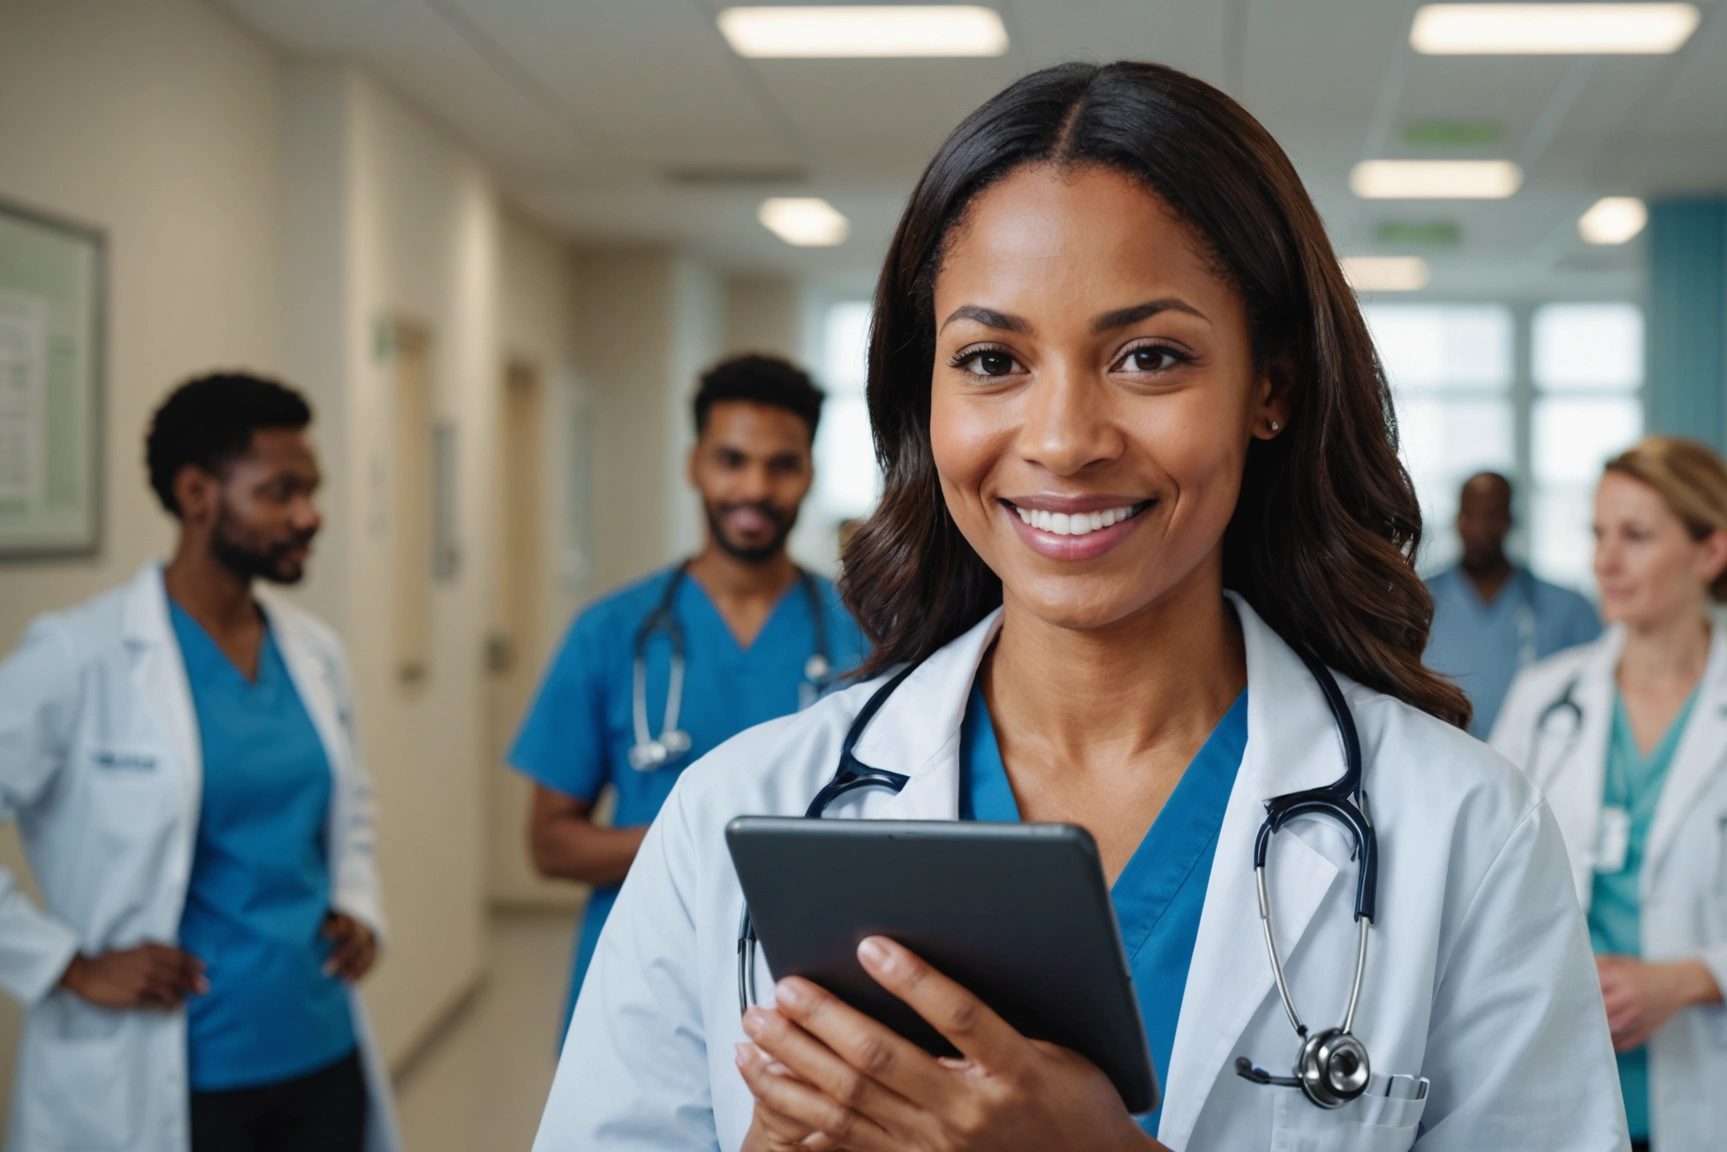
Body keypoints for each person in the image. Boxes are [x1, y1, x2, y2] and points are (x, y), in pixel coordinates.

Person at [535, 62, 1626, 1152]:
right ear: (927, 395)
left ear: (1272, 387)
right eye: (992, 359)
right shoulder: (727, 816)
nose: (1063, 440)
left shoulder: (1464, 832)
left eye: (1149, 357)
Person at [0, 373, 401, 1152]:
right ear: (196, 494)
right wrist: (67, 966)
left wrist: (359, 902)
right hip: (173, 1070)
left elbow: (351, 808)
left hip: (319, 1051)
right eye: (281, 492)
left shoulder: (313, 653)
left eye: (312, 492)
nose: (309, 517)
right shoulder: (80, 656)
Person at [1489, 437, 1727, 1152]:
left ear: (1710, 553)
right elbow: (1487, 887)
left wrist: (1690, 980)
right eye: (1599, 535)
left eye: (1635, 537)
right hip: (1557, 1081)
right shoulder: (1544, 701)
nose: (1604, 561)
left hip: (1723, 1093)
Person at [508, 353, 867, 1036]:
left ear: (809, 475)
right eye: (731, 459)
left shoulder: (866, 639)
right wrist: (709, 843)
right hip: (640, 971)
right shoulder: (612, 633)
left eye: (781, 464)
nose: (754, 487)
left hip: (811, 987)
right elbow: (551, 844)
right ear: (695, 464)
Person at [1424, 472, 1601, 740]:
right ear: (1456, 520)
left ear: (1510, 521)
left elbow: (1599, 697)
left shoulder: (1568, 609)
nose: (1478, 528)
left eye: (1491, 515)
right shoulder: (1414, 604)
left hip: (1539, 770)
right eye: (1469, 515)